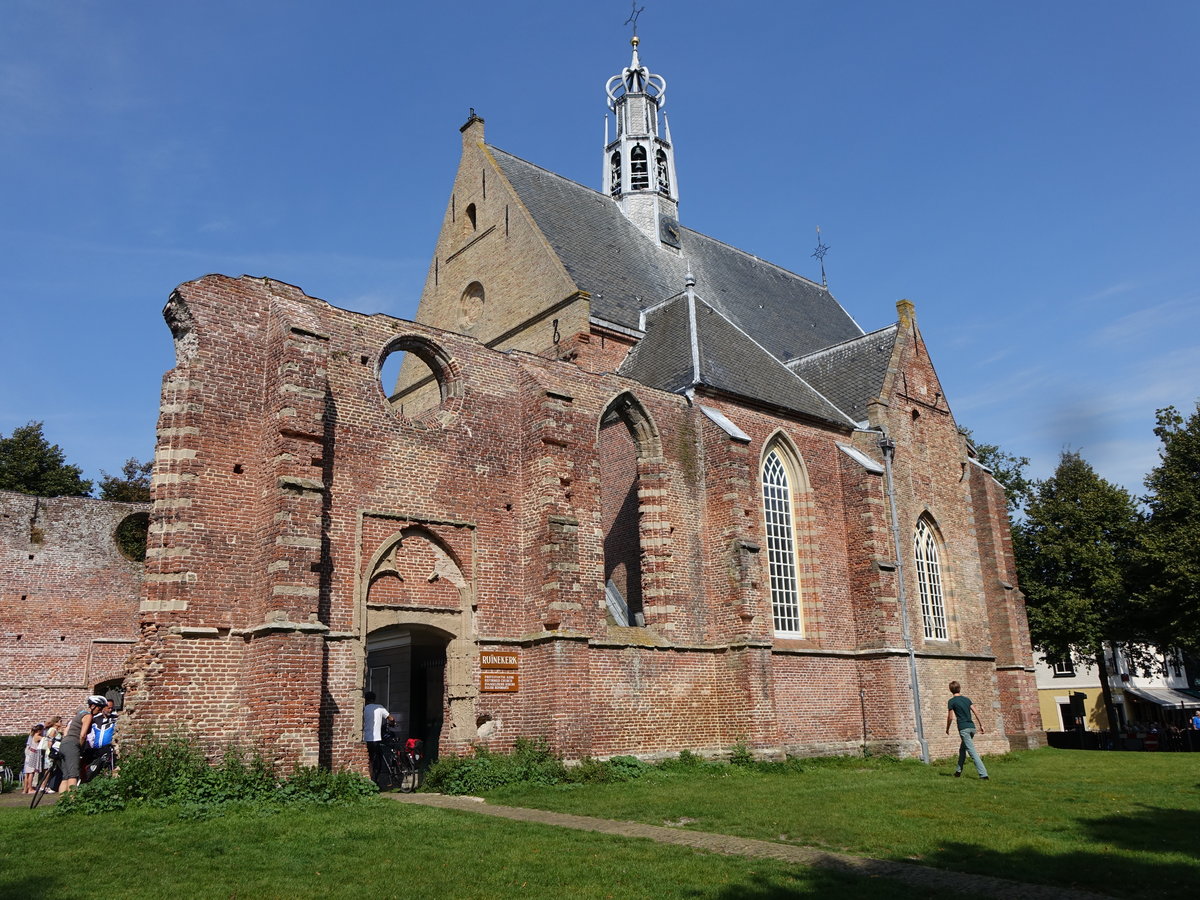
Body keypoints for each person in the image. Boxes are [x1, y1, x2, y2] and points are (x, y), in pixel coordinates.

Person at [60, 695, 106, 792]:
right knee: (73, 775)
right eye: (99, 707)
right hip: (73, 744)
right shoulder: (87, 716)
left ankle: (62, 803)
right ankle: (72, 801)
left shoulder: (78, 715)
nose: (100, 710)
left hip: (64, 744)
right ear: (92, 706)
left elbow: (66, 730)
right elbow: (83, 735)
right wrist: (80, 748)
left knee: (65, 776)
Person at [946, 680, 989, 780]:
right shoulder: (967, 699)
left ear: (950, 690)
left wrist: (947, 728)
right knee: (962, 750)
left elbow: (950, 718)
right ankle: (958, 771)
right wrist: (981, 725)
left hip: (964, 729)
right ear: (959, 688)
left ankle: (983, 774)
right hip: (972, 727)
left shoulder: (951, 701)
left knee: (972, 752)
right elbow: (976, 712)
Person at [362, 692, 390, 786]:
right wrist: (393, 722)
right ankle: (375, 779)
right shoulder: (380, 707)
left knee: (368, 759)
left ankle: (368, 778)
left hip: (366, 738)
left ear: (365, 699)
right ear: (374, 699)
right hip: (376, 739)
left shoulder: (364, 709)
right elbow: (390, 718)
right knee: (377, 760)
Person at [21, 724, 44, 794]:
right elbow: (45, 740)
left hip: (29, 754)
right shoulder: (38, 737)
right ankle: (30, 788)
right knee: (31, 772)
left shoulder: (31, 736)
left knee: (27, 773)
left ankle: (25, 789)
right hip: (33, 755)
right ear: (40, 731)